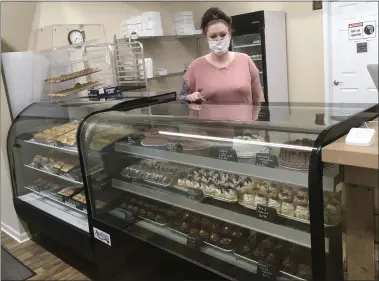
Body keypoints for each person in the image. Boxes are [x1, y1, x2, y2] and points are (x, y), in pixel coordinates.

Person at [180, 7, 265, 105]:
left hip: (244, 120)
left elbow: (258, 97)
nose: (219, 40)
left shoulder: (245, 61)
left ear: (229, 34)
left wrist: (260, 118)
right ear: (206, 38)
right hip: (209, 120)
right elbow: (181, 98)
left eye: (223, 34)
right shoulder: (196, 66)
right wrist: (189, 97)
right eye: (213, 36)